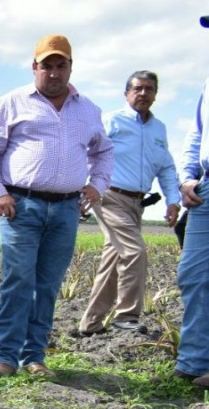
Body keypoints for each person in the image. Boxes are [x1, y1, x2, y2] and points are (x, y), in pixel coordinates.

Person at [0, 34, 113, 380]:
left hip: (66, 210)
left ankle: (34, 356)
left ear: (70, 68)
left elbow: (104, 152)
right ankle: (5, 357)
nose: (53, 72)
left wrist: (97, 186)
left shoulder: (88, 109)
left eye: (60, 65)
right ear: (34, 67)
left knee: (48, 285)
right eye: (46, 65)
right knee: (18, 282)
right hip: (21, 207)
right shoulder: (12, 103)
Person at [78, 71, 180, 337]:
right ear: (127, 93)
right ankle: (127, 316)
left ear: (156, 94)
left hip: (137, 203)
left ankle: (89, 325)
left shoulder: (159, 129)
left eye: (149, 89)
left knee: (113, 260)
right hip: (109, 196)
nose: (143, 93)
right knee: (135, 251)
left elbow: (166, 167)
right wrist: (83, 189)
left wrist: (173, 200)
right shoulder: (112, 121)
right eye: (138, 88)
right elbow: (87, 152)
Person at [173, 15, 209, 389]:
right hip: (206, 188)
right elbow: (197, 133)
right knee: (194, 273)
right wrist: (186, 176)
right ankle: (194, 360)